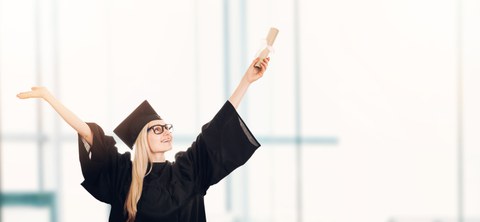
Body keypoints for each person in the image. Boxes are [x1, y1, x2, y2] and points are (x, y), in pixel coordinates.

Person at [17, 57, 270, 222]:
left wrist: (246, 81)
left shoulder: (188, 171)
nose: (166, 132)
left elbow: (217, 129)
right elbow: (87, 132)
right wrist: (50, 99)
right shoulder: (123, 175)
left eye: (166, 127)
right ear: (142, 137)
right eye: (157, 129)